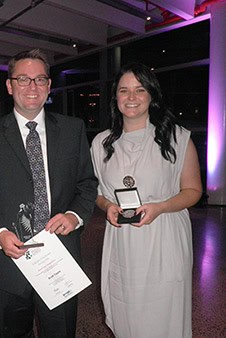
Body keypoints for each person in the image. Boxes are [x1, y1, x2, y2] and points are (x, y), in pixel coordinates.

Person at [0, 49, 98, 337]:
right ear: (9, 86)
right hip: (10, 259)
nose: (32, 87)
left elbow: (87, 184)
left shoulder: (72, 129)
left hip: (60, 257)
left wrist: (74, 215)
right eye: (23, 79)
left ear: (49, 85)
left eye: (40, 79)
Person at [90, 62, 202, 338]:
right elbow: (97, 192)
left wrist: (161, 207)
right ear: (115, 98)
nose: (131, 97)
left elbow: (193, 191)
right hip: (123, 242)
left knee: (164, 314)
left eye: (140, 90)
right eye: (124, 90)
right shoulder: (101, 143)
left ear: (152, 96)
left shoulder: (177, 138)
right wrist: (107, 207)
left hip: (164, 238)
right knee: (127, 311)